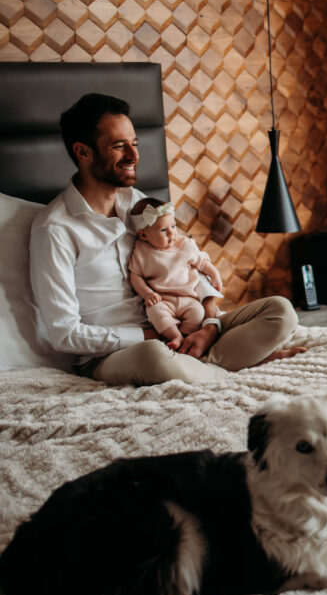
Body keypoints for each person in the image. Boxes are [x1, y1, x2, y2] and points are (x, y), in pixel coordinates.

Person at [29, 93, 304, 386]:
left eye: (134, 144)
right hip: (119, 352)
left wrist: (209, 325)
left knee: (281, 311)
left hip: (184, 323)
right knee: (155, 357)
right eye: (119, 146)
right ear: (83, 153)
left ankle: (203, 361)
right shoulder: (54, 229)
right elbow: (65, 334)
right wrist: (152, 334)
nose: (134, 156)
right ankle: (235, 366)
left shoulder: (141, 207)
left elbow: (186, 260)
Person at [127, 197, 224, 351]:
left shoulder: (185, 245)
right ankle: (175, 337)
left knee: (197, 313)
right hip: (163, 299)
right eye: (164, 230)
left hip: (188, 298)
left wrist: (215, 275)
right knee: (155, 312)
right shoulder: (142, 252)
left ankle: (186, 336)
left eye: (173, 226)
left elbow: (202, 263)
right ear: (144, 235)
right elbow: (135, 276)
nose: (172, 233)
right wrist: (147, 293)